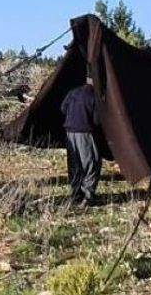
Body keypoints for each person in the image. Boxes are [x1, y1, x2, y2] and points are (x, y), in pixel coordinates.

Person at [61, 77, 100, 206]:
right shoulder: (94, 95)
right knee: (90, 164)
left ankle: (76, 194)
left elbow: (63, 108)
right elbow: (97, 120)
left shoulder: (73, 92)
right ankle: (88, 196)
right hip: (85, 133)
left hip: (70, 133)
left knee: (74, 164)